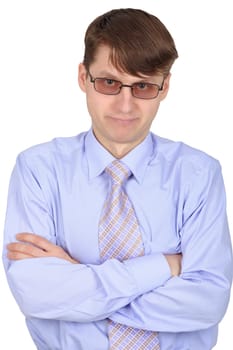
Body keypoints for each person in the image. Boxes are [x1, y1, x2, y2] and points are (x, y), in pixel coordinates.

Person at [2, 7, 232, 350]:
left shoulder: (199, 174)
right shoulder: (38, 170)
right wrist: (162, 267)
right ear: (83, 78)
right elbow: (37, 294)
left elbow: (207, 303)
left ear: (164, 86)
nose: (125, 106)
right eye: (110, 82)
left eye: (142, 86)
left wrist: (79, 280)